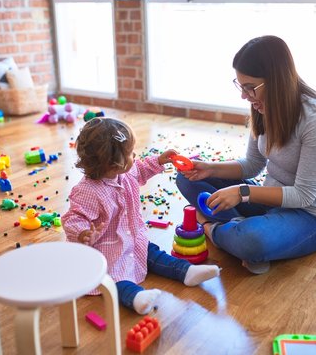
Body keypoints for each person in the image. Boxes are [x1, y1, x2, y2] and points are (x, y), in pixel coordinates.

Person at [176, 35, 316, 275]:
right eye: (241, 86)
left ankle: (211, 226)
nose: (245, 96)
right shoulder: (262, 105)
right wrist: (209, 168)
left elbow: (304, 196)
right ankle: (237, 232)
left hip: (310, 217)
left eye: (250, 87)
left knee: (251, 241)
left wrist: (242, 193)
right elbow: (253, 165)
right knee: (187, 178)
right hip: (268, 203)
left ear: (277, 81)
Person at [62, 117, 220, 314]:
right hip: (105, 249)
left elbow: (142, 168)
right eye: (129, 154)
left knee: (152, 253)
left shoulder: (125, 173)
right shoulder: (87, 191)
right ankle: (136, 297)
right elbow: (73, 217)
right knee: (114, 279)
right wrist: (83, 232)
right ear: (113, 164)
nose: (134, 156)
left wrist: (160, 160)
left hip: (132, 239)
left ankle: (186, 271)